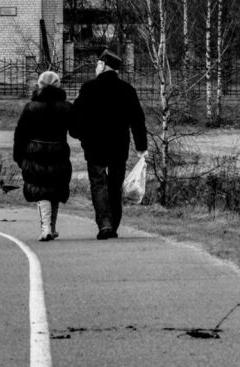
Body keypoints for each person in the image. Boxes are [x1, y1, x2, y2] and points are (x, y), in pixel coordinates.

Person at [69, 48, 147, 240]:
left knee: (98, 184)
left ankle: (104, 223)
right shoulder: (127, 89)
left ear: (103, 65)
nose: (96, 68)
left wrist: (79, 134)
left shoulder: (89, 88)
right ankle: (114, 223)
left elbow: (77, 116)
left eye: (97, 64)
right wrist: (141, 146)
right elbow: (137, 119)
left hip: (94, 145)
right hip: (118, 146)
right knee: (115, 185)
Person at [13, 70, 73, 241]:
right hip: (58, 151)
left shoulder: (31, 107)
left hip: (35, 151)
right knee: (55, 187)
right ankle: (51, 227)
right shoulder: (66, 107)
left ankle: (45, 228)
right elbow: (76, 129)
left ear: (39, 85)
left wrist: (18, 155)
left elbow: (20, 133)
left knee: (41, 190)